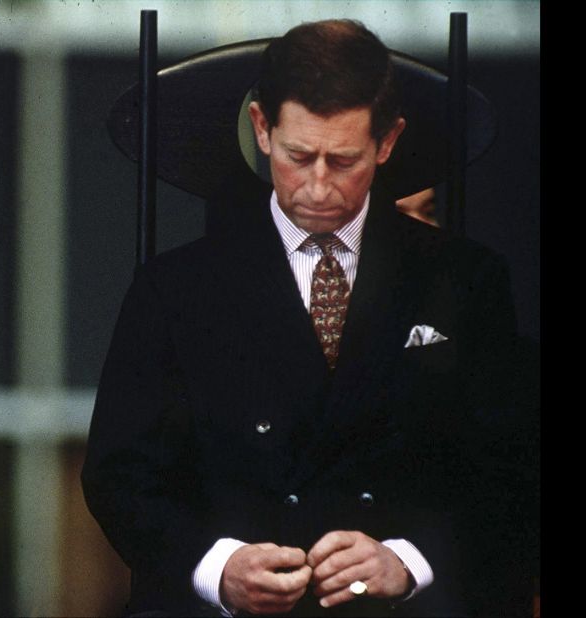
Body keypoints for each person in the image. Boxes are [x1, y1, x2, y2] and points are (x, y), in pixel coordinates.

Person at [81, 19, 516, 617]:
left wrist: (408, 560)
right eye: (298, 156)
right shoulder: (176, 287)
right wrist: (218, 567)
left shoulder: (465, 280)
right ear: (262, 129)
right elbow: (118, 472)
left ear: (387, 144)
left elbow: (508, 469)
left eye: (343, 161)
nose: (317, 186)